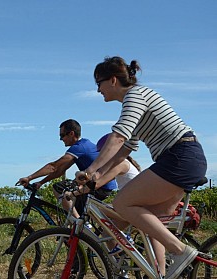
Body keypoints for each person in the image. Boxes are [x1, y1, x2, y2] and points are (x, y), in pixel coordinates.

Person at [77, 56, 207, 279]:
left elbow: (118, 137)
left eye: (98, 82)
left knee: (121, 203)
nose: (97, 89)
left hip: (179, 156)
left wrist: (90, 170)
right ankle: (161, 275)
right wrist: (97, 174)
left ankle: (179, 251)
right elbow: (125, 150)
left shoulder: (135, 96)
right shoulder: (137, 100)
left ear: (113, 80)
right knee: (150, 223)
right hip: (184, 157)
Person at [16, 119, 117, 217]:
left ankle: (77, 223)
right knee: (73, 205)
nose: (61, 139)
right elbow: (59, 171)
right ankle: (78, 224)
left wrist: (29, 178)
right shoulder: (84, 144)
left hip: (99, 186)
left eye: (62, 135)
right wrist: (41, 182)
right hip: (101, 185)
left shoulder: (78, 147)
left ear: (71, 134)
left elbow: (53, 166)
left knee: (59, 188)